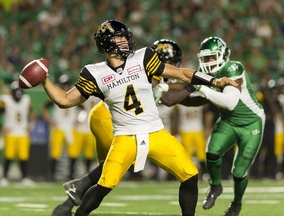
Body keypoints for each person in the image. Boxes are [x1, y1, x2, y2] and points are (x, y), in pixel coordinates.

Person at [43, 20, 235, 216]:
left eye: (125, 36)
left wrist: (213, 81)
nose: (125, 40)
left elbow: (180, 73)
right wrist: (44, 79)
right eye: (118, 37)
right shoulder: (94, 73)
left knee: (190, 174)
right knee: (105, 184)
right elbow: (65, 100)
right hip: (123, 135)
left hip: (155, 132)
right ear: (105, 42)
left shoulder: (143, 57)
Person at [158, 36, 265, 216]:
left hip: (251, 122)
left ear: (223, 55)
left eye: (212, 57)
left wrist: (202, 88)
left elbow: (230, 102)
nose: (208, 62)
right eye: (205, 58)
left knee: (239, 172)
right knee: (212, 152)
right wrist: (163, 89)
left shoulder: (233, 68)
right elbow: (185, 90)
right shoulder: (206, 73)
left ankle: (236, 204)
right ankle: (215, 186)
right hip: (229, 121)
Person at [0, 81, 35, 186]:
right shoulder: (6, 100)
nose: (18, 97)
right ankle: (4, 177)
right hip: (11, 132)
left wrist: (31, 125)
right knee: (8, 156)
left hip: (23, 132)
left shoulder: (26, 100)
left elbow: (31, 113)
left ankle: (24, 177)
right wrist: (1, 127)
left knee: (24, 156)